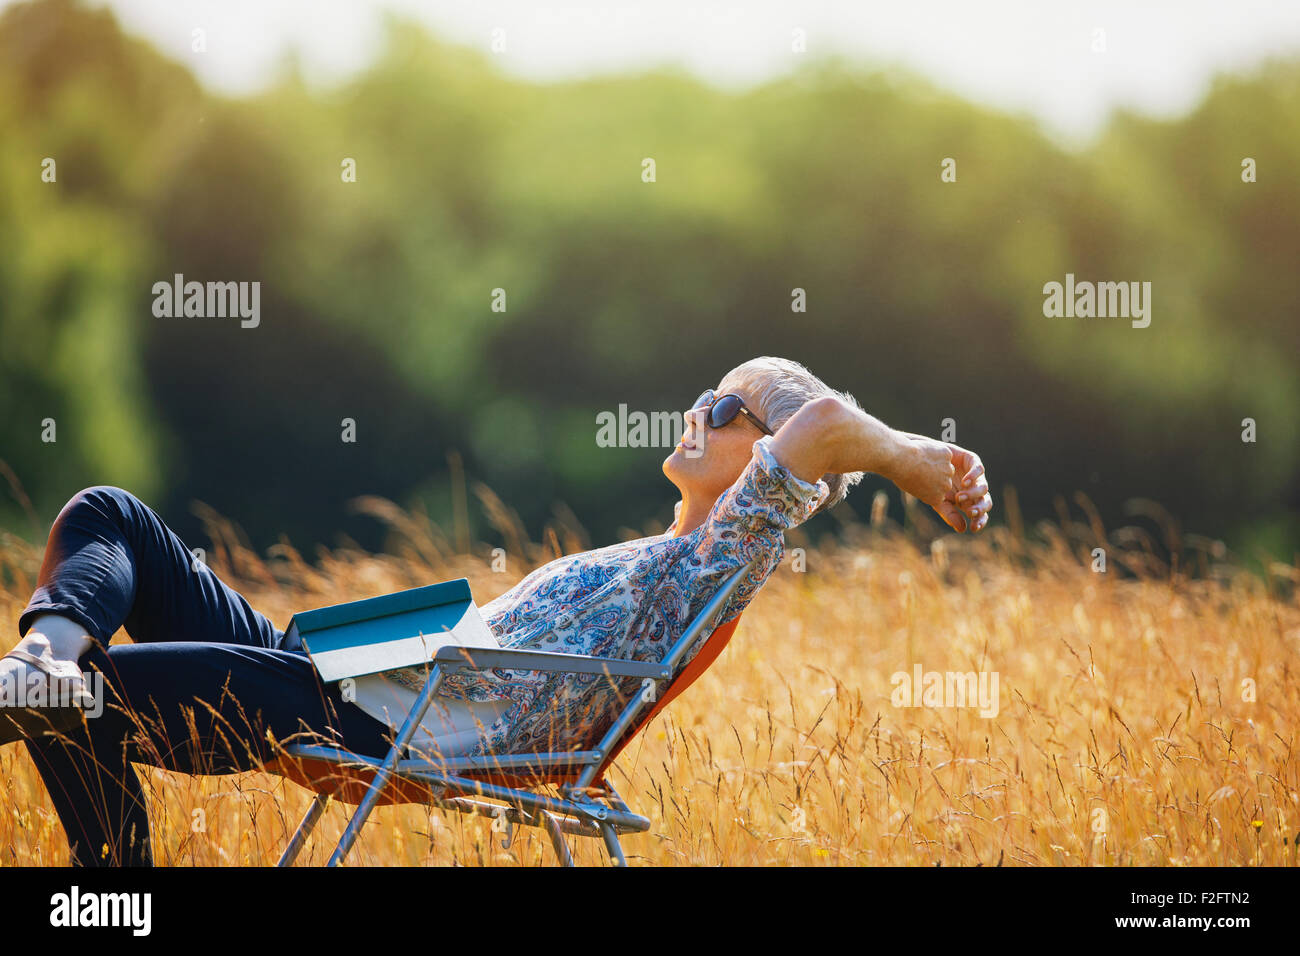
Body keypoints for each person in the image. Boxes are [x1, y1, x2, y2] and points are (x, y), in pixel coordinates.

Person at [2, 356, 992, 866]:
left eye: (729, 408)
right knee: (111, 516)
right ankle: (45, 652)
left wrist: (911, 461)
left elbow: (821, 426)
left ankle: (105, 896)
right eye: (705, 393)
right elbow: (804, 427)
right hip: (345, 672)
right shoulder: (660, 554)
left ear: (771, 468)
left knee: (83, 701)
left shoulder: (720, 557)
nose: (700, 411)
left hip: (386, 717)